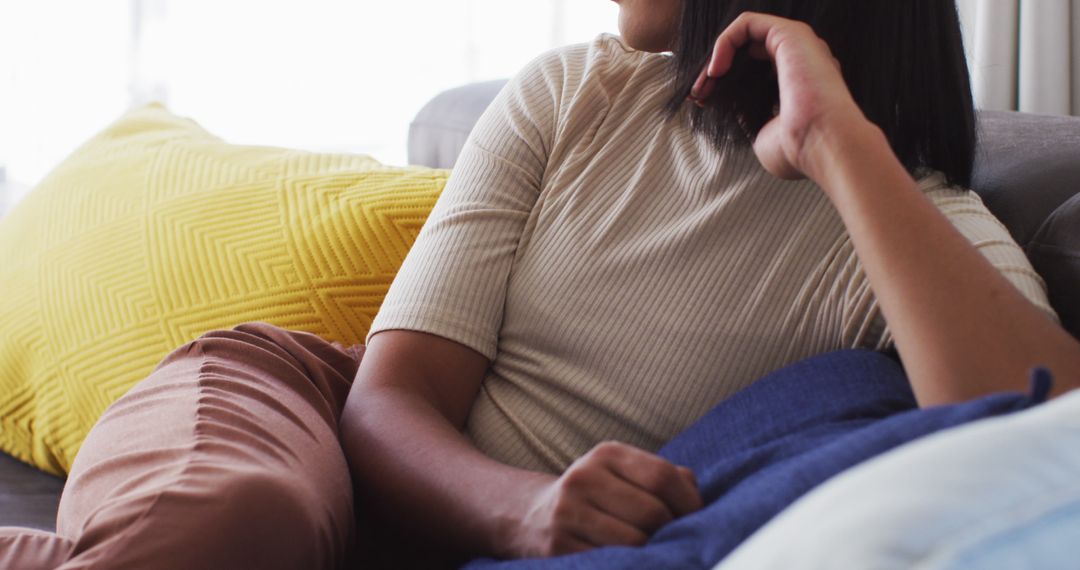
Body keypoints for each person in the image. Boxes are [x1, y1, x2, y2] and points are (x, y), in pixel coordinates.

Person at [1, 1, 1078, 569]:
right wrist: (523, 514)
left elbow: (1051, 434)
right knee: (243, 520)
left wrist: (839, 145)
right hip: (307, 411)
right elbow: (389, 399)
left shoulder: (912, 227)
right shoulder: (575, 92)